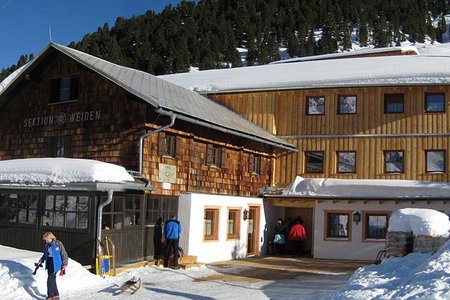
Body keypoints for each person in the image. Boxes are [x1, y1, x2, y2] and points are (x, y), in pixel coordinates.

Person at [38, 232, 68, 300]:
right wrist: (41, 260)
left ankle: (50, 295)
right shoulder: (47, 245)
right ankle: (56, 295)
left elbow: (64, 254)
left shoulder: (58, 244)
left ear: (51, 238)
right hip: (49, 263)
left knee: (50, 279)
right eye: (45, 240)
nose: (46, 241)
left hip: (56, 264)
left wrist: (64, 264)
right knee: (53, 279)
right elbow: (45, 255)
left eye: (47, 239)